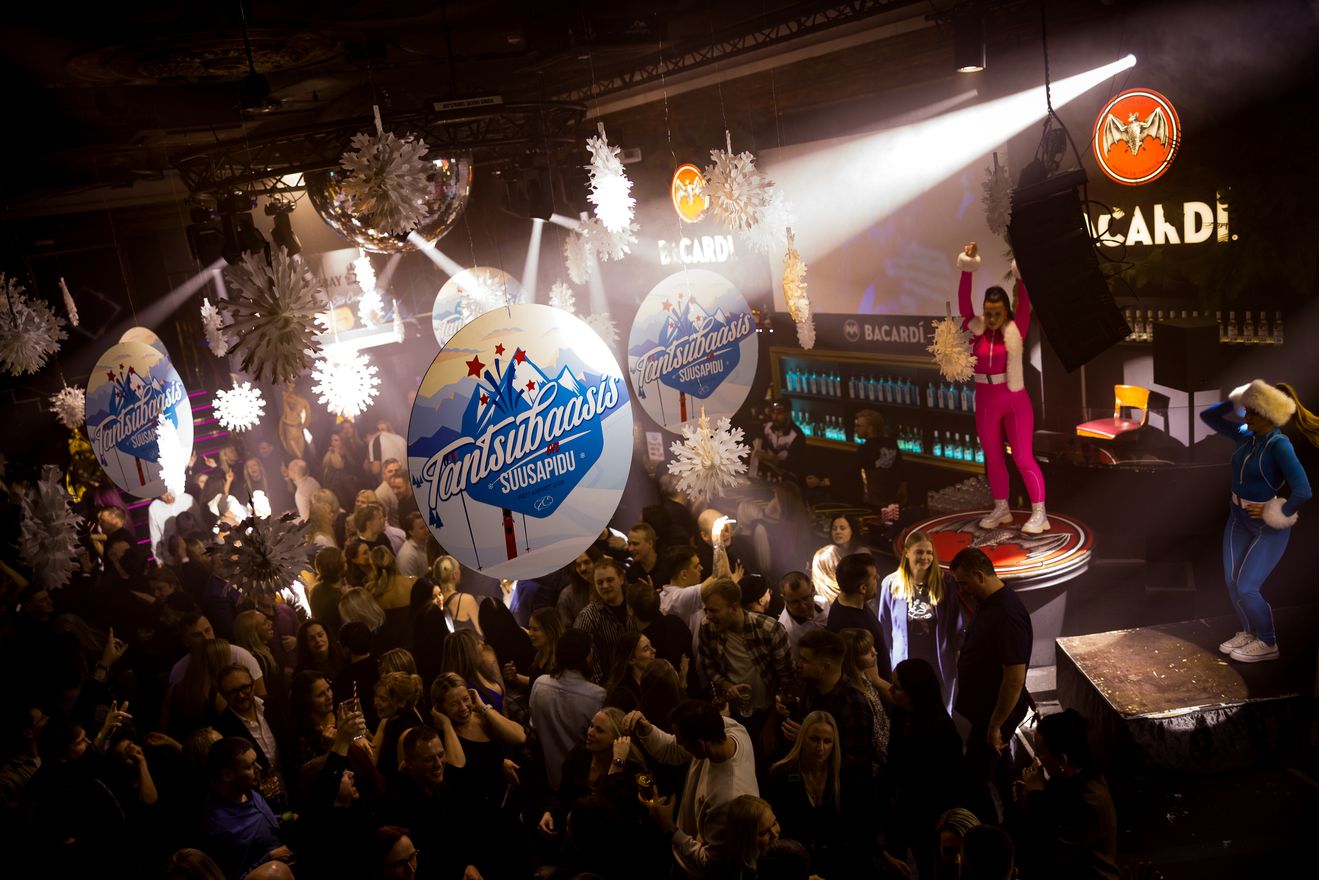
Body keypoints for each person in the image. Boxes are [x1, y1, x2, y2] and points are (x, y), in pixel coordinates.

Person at [1200, 380, 1316, 662]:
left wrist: (1272, 511)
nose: (1245, 416)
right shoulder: (1245, 435)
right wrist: (1239, 397)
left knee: (1247, 587)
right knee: (1231, 582)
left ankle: (1268, 641)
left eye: (1252, 411)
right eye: (1246, 409)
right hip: (1237, 518)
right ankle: (1249, 632)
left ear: (1268, 414)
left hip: (1266, 527)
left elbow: (1303, 491)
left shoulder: (1279, 445)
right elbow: (1209, 416)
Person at [956, 241, 1050, 533]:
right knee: (993, 457)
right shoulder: (975, 329)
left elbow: (1024, 300)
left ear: (1006, 311)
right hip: (985, 401)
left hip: (1014, 400)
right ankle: (1002, 507)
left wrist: (1021, 274)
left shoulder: (1016, 326)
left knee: (1022, 457)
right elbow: (963, 302)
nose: (992, 318)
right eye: (988, 312)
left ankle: (1040, 513)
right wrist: (968, 267)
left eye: (998, 312)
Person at [628, 700, 760, 877]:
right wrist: (647, 730)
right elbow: (672, 749)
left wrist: (669, 827)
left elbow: (711, 866)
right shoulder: (730, 729)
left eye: (682, 742)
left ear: (700, 745)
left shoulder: (728, 798)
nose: (678, 743)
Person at [951, 547, 1032, 819]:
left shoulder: (1007, 614)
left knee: (972, 781)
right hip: (986, 712)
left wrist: (996, 725)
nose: (962, 590)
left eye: (964, 583)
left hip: (993, 714)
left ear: (979, 575)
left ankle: (988, 833)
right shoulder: (989, 603)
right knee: (1001, 770)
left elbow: (1014, 677)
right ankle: (1015, 820)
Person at [886, 658, 970, 878]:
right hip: (903, 807)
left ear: (915, 694)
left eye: (897, 687)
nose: (890, 690)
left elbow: (952, 784)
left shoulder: (941, 731)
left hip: (930, 815)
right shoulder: (901, 712)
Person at [1011, 709, 1119, 880]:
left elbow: (1048, 850)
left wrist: (1036, 795)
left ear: (1062, 760)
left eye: (1040, 752)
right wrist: (1027, 800)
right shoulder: (1067, 777)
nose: (1036, 758)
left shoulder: (1089, 801)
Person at [378, 727, 489, 880]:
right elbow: (419, 862)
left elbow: (460, 836)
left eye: (441, 755)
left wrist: (468, 865)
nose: (438, 764)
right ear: (409, 763)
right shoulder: (397, 804)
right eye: (429, 759)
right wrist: (459, 871)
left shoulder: (444, 788)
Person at [764, 710, 863, 877]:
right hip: (793, 864)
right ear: (802, 738)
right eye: (814, 739)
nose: (820, 748)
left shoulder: (845, 774)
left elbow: (853, 827)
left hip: (836, 863)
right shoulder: (780, 774)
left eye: (827, 741)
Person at [874, 530, 963, 711]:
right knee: (907, 711)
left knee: (940, 711)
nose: (925, 557)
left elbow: (956, 624)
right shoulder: (890, 584)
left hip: (938, 662)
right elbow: (884, 627)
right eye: (919, 552)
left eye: (929, 552)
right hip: (905, 662)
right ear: (906, 552)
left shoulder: (946, 583)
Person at [698, 576, 795, 735]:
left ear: (734, 607)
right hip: (733, 714)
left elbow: (787, 680)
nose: (708, 616)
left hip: (768, 713)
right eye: (706, 610)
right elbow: (709, 667)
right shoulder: (708, 627)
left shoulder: (770, 630)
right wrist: (728, 686)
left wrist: (772, 722)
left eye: (713, 610)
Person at [783, 628, 876, 774]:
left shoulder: (853, 703)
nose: (798, 664)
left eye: (805, 660)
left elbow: (856, 762)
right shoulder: (810, 687)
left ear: (825, 667)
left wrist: (809, 740)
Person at [200, 736, 292, 880]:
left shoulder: (245, 791)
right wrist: (270, 857)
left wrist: (289, 816)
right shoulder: (219, 827)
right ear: (227, 775)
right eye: (250, 766)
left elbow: (267, 819)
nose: (259, 768)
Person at [528, 630, 605, 790]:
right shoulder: (597, 697)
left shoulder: (540, 685)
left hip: (545, 778)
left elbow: (534, 726)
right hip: (582, 781)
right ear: (586, 657)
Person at [825, 552, 888, 676]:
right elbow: (870, 678)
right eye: (874, 577)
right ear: (863, 588)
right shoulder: (849, 626)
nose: (878, 577)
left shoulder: (856, 602)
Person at [604, 631, 683, 728]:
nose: (654, 650)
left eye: (651, 646)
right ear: (631, 660)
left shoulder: (654, 683)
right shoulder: (622, 696)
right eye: (646, 649)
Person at [573, 557, 633, 683]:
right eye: (599, 582)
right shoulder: (588, 617)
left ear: (621, 579)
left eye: (610, 580)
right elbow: (585, 660)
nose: (605, 586)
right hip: (609, 685)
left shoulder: (635, 602)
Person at [370, 672, 426, 785]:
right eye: (376, 696)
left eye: (383, 699)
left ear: (401, 702)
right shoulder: (389, 719)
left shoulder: (408, 732)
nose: (376, 703)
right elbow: (373, 757)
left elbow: (404, 780)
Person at [854, 409, 909, 509]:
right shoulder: (891, 443)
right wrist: (903, 489)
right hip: (894, 499)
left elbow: (857, 477)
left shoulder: (866, 449)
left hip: (873, 502)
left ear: (870, 429)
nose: (855, 429)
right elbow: (901, 469)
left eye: (859, 426)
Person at [810, 514, 864, 604]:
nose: (837, 532)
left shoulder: (861, 554)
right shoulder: (827, 553)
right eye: (834, 529)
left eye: (842, 528)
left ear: (852, 530)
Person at [778, 571, 827, 662]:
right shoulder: (786, 631)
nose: (803, 606)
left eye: (806, 598)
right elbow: (796, 662)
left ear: (812, 588)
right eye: (795, 602)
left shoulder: (823, 603)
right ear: (784, 599)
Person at [759, 400, 807, 484]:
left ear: (788, 414)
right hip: (766, 477)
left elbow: (795, 466)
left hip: (787, 481)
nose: (775, 417)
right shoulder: (767, 427)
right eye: (773, 413)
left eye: (779, 414)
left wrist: (772, 459)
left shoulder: (797, 436)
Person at [434, 555, 484, 636]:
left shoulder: (435, 602)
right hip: (468, 643)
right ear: (454, 575)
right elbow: (482, 632)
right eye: (459, 569)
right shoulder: (467, 600)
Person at [396, 512, 430, 579]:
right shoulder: (407, 555)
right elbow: (409, 583)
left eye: (426, 525)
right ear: (411, 532)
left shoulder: (425, 544)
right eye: (422, 528)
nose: (427, 530)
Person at [287, 459, 321, 523]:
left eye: (289, 469)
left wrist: (291, 520)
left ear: (295, 473)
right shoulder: (312, 480)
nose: (288, 471)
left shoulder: (300, 494)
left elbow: (306, 519)